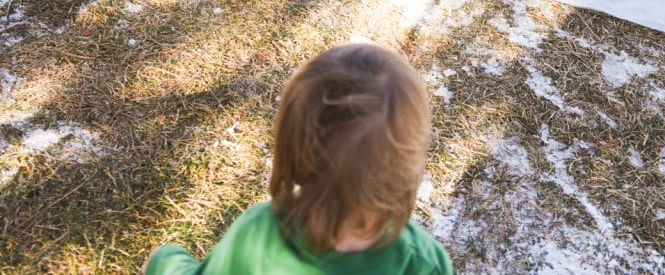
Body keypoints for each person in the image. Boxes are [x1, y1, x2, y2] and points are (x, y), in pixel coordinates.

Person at [142, 42, 453, 275]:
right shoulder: (424, 261)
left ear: (291, 149)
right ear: (407, 166)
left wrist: (164, 260)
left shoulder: (257, 235)